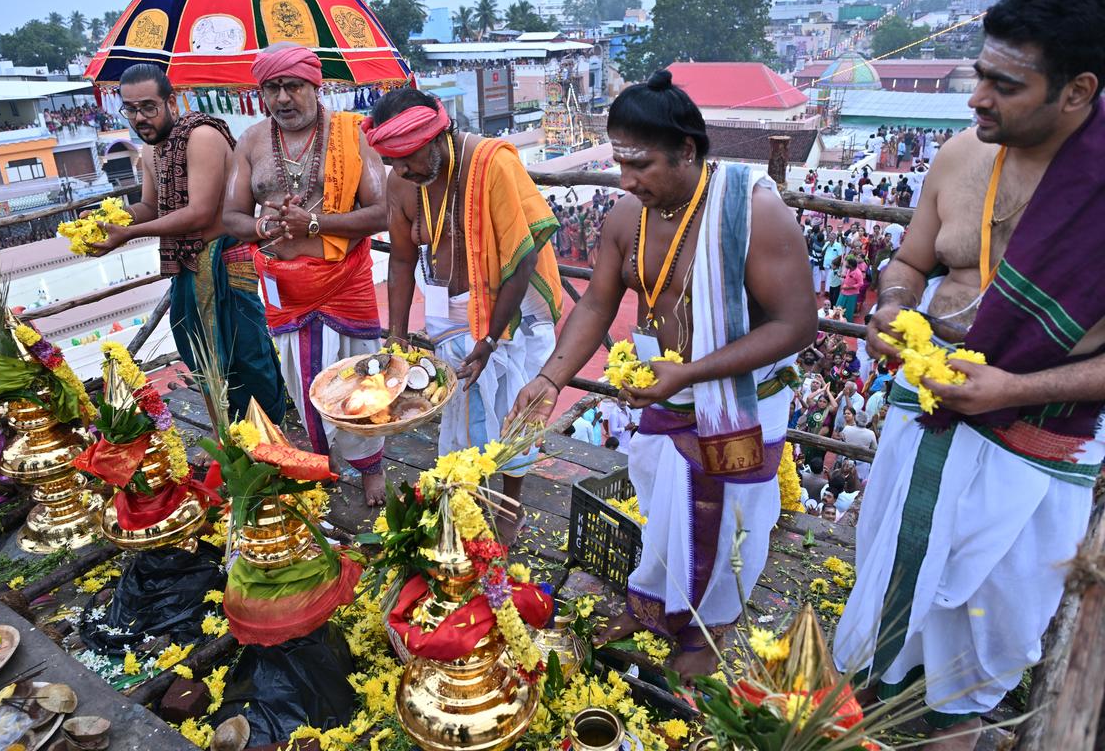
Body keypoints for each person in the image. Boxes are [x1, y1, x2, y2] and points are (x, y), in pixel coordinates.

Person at [833, 0, 1105, 750]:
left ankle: (955, 727)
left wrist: (1012, 388)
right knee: (888, 579)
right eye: (979, 73)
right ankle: (866, 710)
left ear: (1078, 91)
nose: (975, 98)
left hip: (1033, 440)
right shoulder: (960, 156)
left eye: (1003, 84)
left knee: (984, 640)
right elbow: (909, 262)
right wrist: (890, 307)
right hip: (922, 416)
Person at [505, 70, 816, 676]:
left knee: (726, 522)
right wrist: (550, 379)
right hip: (667, 392)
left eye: (641, 165)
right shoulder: (628, 215)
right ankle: (655, 605)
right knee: (666, 508)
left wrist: (693, 373)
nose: (625, 180)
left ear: (688, 152)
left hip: (739, 401)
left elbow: (796, 326)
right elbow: (596, 302)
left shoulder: (753, 212)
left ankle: (710, 627)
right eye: (621, 163)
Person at [364, 87, 562, 539]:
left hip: (511, 308)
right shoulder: (403, 182)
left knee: (515, 408)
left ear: (436, 138)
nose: (399, 170)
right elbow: (399, 258)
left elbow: (522, 258)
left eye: (407, 157)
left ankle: (510, 504)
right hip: (448, 309)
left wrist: (490, 339)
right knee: (463, 411)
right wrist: (396, 332)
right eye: (391, 161)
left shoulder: (493, 164)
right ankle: (468, 498)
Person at [221, 45, 388, 506]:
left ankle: (371, 465)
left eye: (293, 86)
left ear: (317, 86)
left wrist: (315, 224)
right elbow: (230, 218)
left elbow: (383, 212)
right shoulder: (252, 141)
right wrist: (261, 227)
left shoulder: (353, 134)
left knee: (361, 374)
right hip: (284, 286)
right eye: (271, 88)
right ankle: (324, 458)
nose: (283, 98)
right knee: (302, 379)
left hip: (343, 278)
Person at [87, 63, 285, 424]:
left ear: (172, 102)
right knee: (203, 357)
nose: (139, 117)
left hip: (228, 260)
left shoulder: (201, 137)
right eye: (129, 109)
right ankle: (236, 439)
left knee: (247, 356)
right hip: (190, 266)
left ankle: (274, 436)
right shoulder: (149, 150)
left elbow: (201, 213)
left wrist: (129, 234)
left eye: (148, 107)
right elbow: (149, 207)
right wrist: (109, 219)